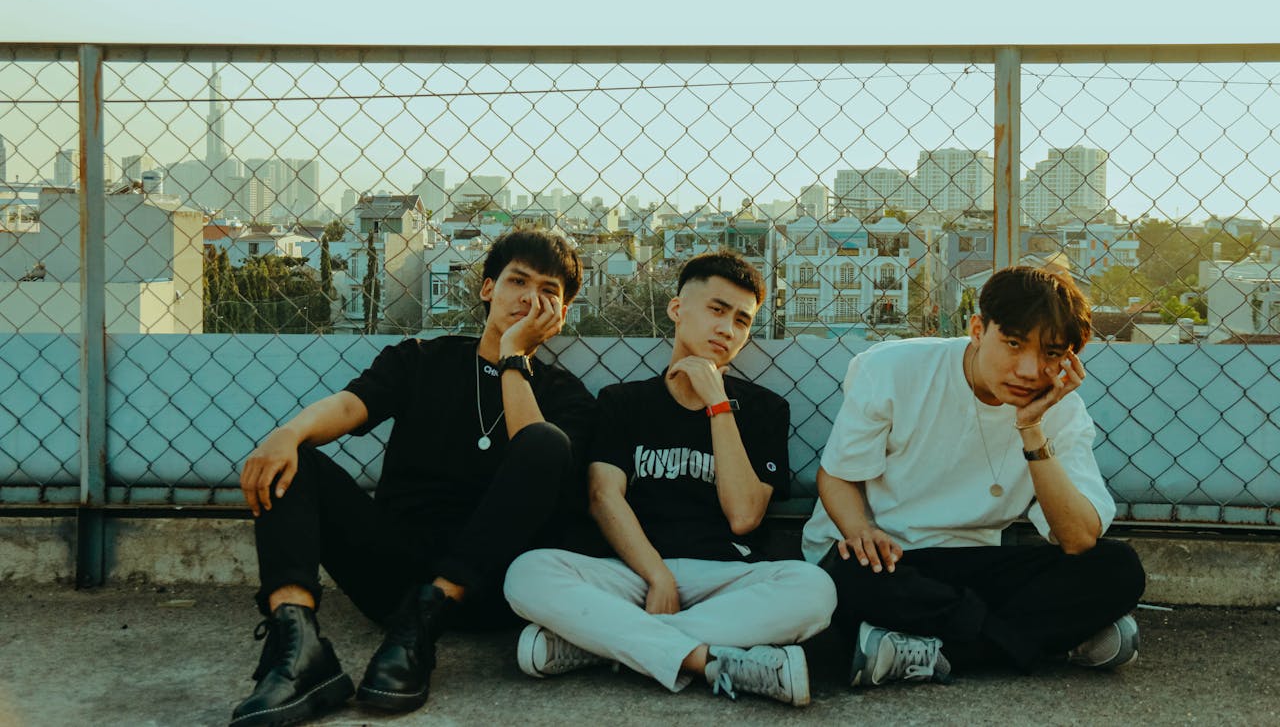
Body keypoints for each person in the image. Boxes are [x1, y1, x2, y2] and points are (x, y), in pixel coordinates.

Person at [229, 228, 594, 727]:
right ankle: (297, 646)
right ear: (488, 288)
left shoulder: (566, 396)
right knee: (296, 460)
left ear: (561, 315)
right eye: (518, 281)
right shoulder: (422, 359)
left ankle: (424, 625)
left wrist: (514, 357)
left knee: (548, 442)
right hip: (392, 574)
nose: (530, 298)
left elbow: (536, 452)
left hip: (489, 586)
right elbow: (351, 407)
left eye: (549, 293)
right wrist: (288, 433)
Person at [503, 251, 836, 707]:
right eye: (717, 310)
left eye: (741, 320)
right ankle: (704, 658)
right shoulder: (623, 401)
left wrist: (718, 405)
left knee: (815, 590)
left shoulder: (763, 409)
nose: (727, 329)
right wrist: (656, 576)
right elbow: (603, 497)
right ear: (678, 309)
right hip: (633, 572)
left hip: (724, 576)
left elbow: (743, 517)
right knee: (527, 573)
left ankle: (595, 646)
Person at [802, 265, 1146, 688]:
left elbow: (1078, 538)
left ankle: (924, 652)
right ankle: (1054, 643)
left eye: (1050, 354)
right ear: (979, 329)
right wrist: (859, 530)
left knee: (1118, 568)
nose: (1028, 369)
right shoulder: (892, 369)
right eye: (1014, 344)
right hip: (886, 558)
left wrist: (1032, 429)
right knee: (850, 577)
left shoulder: (1063, 412)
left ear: (1070, 358)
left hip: (969, 565)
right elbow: (836, 477)